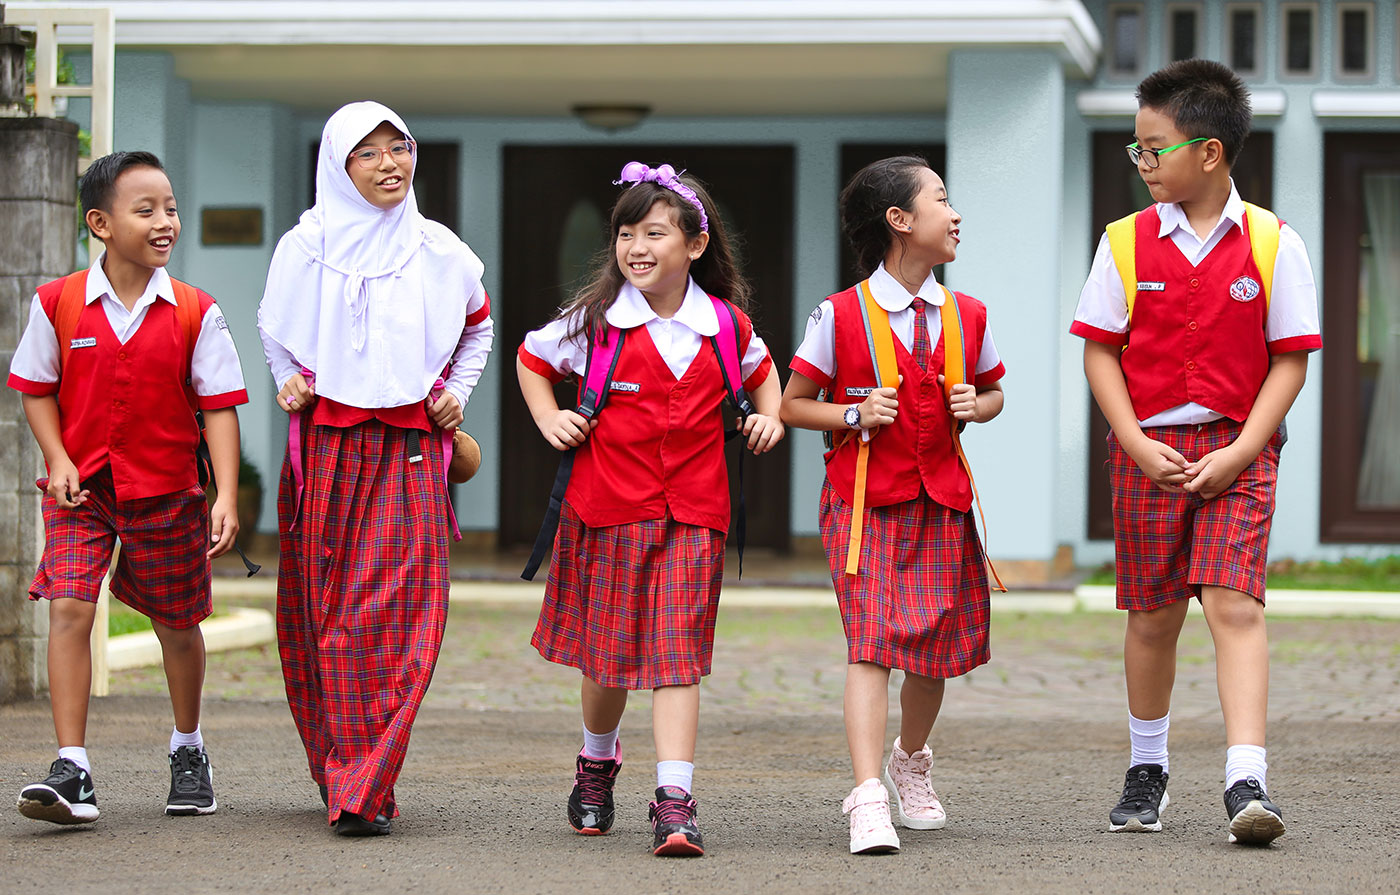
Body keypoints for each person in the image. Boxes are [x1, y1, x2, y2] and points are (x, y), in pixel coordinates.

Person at [1070, 59, 1322, 846]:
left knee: (1233, 602)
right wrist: (1136, 441)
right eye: (1137, 150)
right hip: (1149, 450)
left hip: (1238, 447)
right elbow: (1100, 352)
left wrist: (1247, 446)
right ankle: (1148, 767)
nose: (1142, 163)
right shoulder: (1123, 244)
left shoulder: (1275, 243)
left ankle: (1246, 777)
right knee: (1152, 615)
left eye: (1154, 148)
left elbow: (1291, 356)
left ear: (1208, 152)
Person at [517, 161, 783, 857]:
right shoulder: (597, 324)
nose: (636, 245)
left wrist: (771, 418)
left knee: (676, 658)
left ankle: (674, 800)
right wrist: (550, 417)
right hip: (606, 511)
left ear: (694, 244)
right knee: (606, 664)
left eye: (653, 232)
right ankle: (597, 760)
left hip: (694, 514)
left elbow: (763, 372)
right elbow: (530, 358)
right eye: (626, 232)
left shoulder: (724, 325)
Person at [257, 101, 493, 837]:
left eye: (400, 147)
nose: (390, 163)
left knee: (400, 614)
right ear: (338, 165)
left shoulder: (441, 251)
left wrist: (455, 393)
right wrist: (287, 377)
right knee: (324, 613)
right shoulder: (304, 247)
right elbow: (277, 333)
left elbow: (477, 326)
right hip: (327, 447)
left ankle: (365, 778)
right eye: (369, 153)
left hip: (411, 447)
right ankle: (348, 770)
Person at [9, 151, 248, 824]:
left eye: (170, 207)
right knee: (70, 607)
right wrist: (56, 457)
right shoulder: (56, 303)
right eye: (145, 210)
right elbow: (36, 391)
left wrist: (224, 493)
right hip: (81, 491)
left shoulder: (197, 311)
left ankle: (188, 747)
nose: (165, 221)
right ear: (101, 223)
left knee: (177, 622)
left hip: (169, 491)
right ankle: (72, 766)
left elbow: (219, 407)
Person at [780, 156, 1005, 855]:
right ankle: (866, 793)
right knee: (871, 646)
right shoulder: (837, 313)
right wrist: (851, 413)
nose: (955, 212)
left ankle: (910, 757)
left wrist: (982, 405)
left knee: (933, 653)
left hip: (942, 503)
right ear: (899, 221)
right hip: (864, 507)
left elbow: (996, 391)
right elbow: (791, 404)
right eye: (942, 199)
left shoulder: (968, 315)